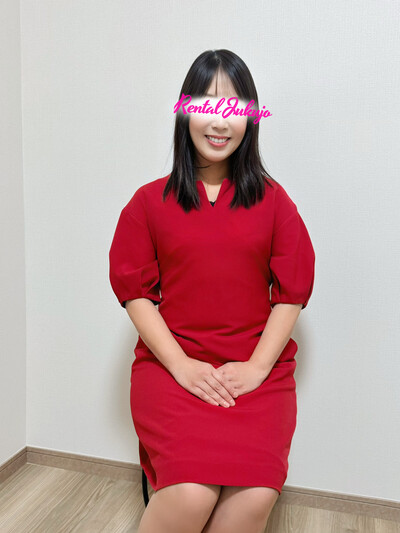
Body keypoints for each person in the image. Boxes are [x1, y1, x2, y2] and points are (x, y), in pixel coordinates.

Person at [109, 49, 315, 533]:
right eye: (206, 104)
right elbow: (136, 294)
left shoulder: (276, 202)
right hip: (171, 368)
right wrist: (182, 366)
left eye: (235, 107)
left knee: (252, 497)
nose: (220, 120)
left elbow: (291, 293)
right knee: (191, 494)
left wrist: (257, 367)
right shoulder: (147, 202)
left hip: (256, 374)